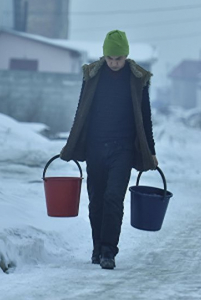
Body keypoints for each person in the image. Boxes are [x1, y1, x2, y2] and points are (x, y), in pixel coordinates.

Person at [60, 30, 158, 270]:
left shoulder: (137, 79)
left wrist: (151, 150)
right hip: (95, 147)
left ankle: (108, 252)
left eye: (119, 58)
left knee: (114, 198)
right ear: (104, 56)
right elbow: (81, 110)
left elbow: (145, 117)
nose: (114, 63)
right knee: (97, 200)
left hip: (123, 148)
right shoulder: (92, 75)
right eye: (111, 58)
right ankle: (96, 248)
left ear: (126, 56)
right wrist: (72, 142)